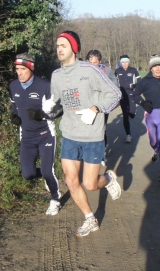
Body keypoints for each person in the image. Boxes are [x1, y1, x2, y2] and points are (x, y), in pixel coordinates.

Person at [43, 31, 122, 237]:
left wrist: (95, 109)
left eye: (63, 45)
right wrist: (50, 106)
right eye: (57, 45)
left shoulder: (89, 70)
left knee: (90, 184)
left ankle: (109, 179)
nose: (59, 49)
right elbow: (58, 103)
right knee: (71, 181)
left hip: (92, 135)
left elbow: (115, 94)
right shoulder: (56, 76)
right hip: (70, 134)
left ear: (73, 48)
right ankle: (90, 219)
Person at [9, 53, 63, 216]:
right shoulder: (13, 86)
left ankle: (55, 199)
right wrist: (14, 117)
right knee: (28, 174)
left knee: (47, 170)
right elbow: (14, 106)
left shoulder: (44, 85)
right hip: (26, 137)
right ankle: (49, 177)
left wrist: (42, 115)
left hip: (45, 134)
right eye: (17, 69)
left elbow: (59, 110)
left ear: (30, 68)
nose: (19, 73)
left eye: (22, 69)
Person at [133, 55, 160, 182]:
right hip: (151, 114)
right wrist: (142, 103)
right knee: (153, 142)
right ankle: (155, 150)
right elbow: (135, 95)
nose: (157, 69)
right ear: (151, 68)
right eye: (155, 67)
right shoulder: (145, 81)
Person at [86, 49, 119, 166]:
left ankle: (101, 155)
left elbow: (116, 88)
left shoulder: (107, 71)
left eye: (95, 63)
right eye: (90, 62)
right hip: (88, 106)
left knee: (101, 130)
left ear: (99, 62)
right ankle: (89, 153)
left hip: (101, 106)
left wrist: (106, 104)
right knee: (88, 128)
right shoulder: (83, 71)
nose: (92, 65)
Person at [114, 54, 140, 143]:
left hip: (131, 94)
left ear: (129, 62)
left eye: (126, 62)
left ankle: (132, 113)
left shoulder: (133, 70)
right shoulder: (117, 71)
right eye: (123, 62)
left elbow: (141, 82)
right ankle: (128, 135)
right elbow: (114, 83)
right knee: (125, 114)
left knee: (131, 113)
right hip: (122, 96)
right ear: (121, 63)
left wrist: (134, 85)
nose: (125, 64)